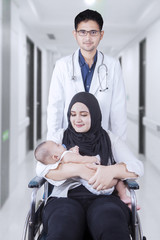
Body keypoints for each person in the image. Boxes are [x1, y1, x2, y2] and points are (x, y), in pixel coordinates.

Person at [36, 92, 144, 240]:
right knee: (62, 228)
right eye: (73, 114)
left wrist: (111, 170)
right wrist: (80, 170)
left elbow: (137, 167)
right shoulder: (60, 137)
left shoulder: (109, 139)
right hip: (65, 198)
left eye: (84, 114)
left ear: (94, 114)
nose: (77, 119)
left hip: (104, 198)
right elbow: (40, 168)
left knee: (111, 226)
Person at [47, 9, 127, 142]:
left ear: (101, 35)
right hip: (69, 142)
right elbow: (55, 108)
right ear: (75, 34)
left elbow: (118, 111)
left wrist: (119, 147)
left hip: (101, 141)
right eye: (82, 32)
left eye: (93, 32)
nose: (88, 38)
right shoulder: (62, 66)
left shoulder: (112, 65)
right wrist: (53, 145)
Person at [35, 140, 133, 200]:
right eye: (57, 145)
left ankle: (123, 195)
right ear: (55, 156)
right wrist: (94, 158)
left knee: (114, 178)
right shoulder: (66, 156)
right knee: (116, 180)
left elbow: (74, 158)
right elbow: (80, 159)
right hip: (94, 185)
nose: (60, 144)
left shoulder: (60, 159)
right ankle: (123, 195)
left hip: (92, 184)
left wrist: (73, 152)